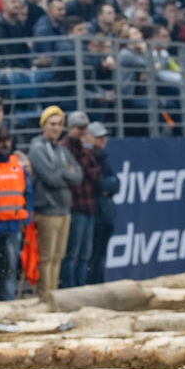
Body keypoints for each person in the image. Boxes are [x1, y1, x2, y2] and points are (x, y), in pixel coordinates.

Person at [26, 106, 81, 297]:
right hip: (47, 210)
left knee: (58, 257)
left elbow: (78, 176)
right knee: (46, 258)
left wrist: (61, 172)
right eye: (52, 124)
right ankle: (44, 296)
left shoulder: (62, 150)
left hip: (63, 210)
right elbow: (51, 178)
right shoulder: (37, 148)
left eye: (59, 124)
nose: (56, 128)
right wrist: (66, 172)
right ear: (44, 125)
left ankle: (53, 295)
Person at [0, 128, 29, 302]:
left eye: (7, 139)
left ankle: (10, 306)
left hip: (12, 227)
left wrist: (27, 218)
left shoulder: (17, 163)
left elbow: (27, 193)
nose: (5, 143)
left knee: (9, 271)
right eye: (0, 139)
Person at [60, 110, 101, 289]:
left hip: (88, 205)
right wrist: (82, 167)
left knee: (85, 255)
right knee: (71, 254)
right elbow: (79, 173)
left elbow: (95, 173)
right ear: (70, 128)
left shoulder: (86, 149)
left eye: (85, 128)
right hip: (74, 207)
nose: (83, 132)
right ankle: (70, 288)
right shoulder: (64, 148)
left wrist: (82, 165)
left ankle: (81, 288)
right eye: (79, 128)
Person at [86, 121, 118, 285]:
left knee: (100, 257)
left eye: (103, 137)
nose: (102, 141)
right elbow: (98, 184)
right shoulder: (89, 157)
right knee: (92, 257)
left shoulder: (103, 158)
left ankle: (98, 286)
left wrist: (106, 187)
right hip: (95, 214)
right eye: (99, 137)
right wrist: (106, 187)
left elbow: (116, 184)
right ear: (89, 138)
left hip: (105, 215)